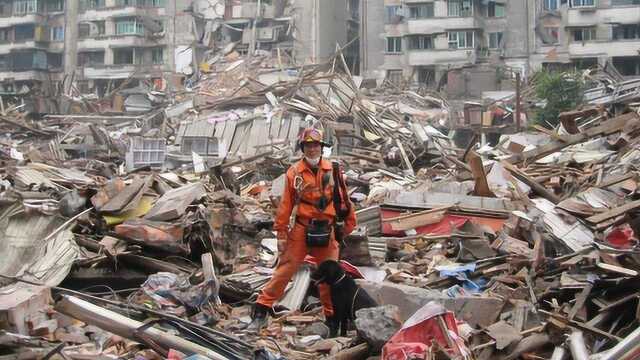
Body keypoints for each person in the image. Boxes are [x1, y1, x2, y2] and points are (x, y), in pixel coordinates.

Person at [247, 127, 357, 332]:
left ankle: (332, 320)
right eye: (308, 145)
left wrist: (349, 225)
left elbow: (343, 199)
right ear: (302, 148)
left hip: (328, 230)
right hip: (301, 230)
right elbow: (286, 205)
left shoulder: (333, 169)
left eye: (316, 145)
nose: (312, 149)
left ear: (321, 147)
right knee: (284, 271)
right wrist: (281, 233)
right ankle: (261, 310)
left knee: (328, 279)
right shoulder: (294, 172)